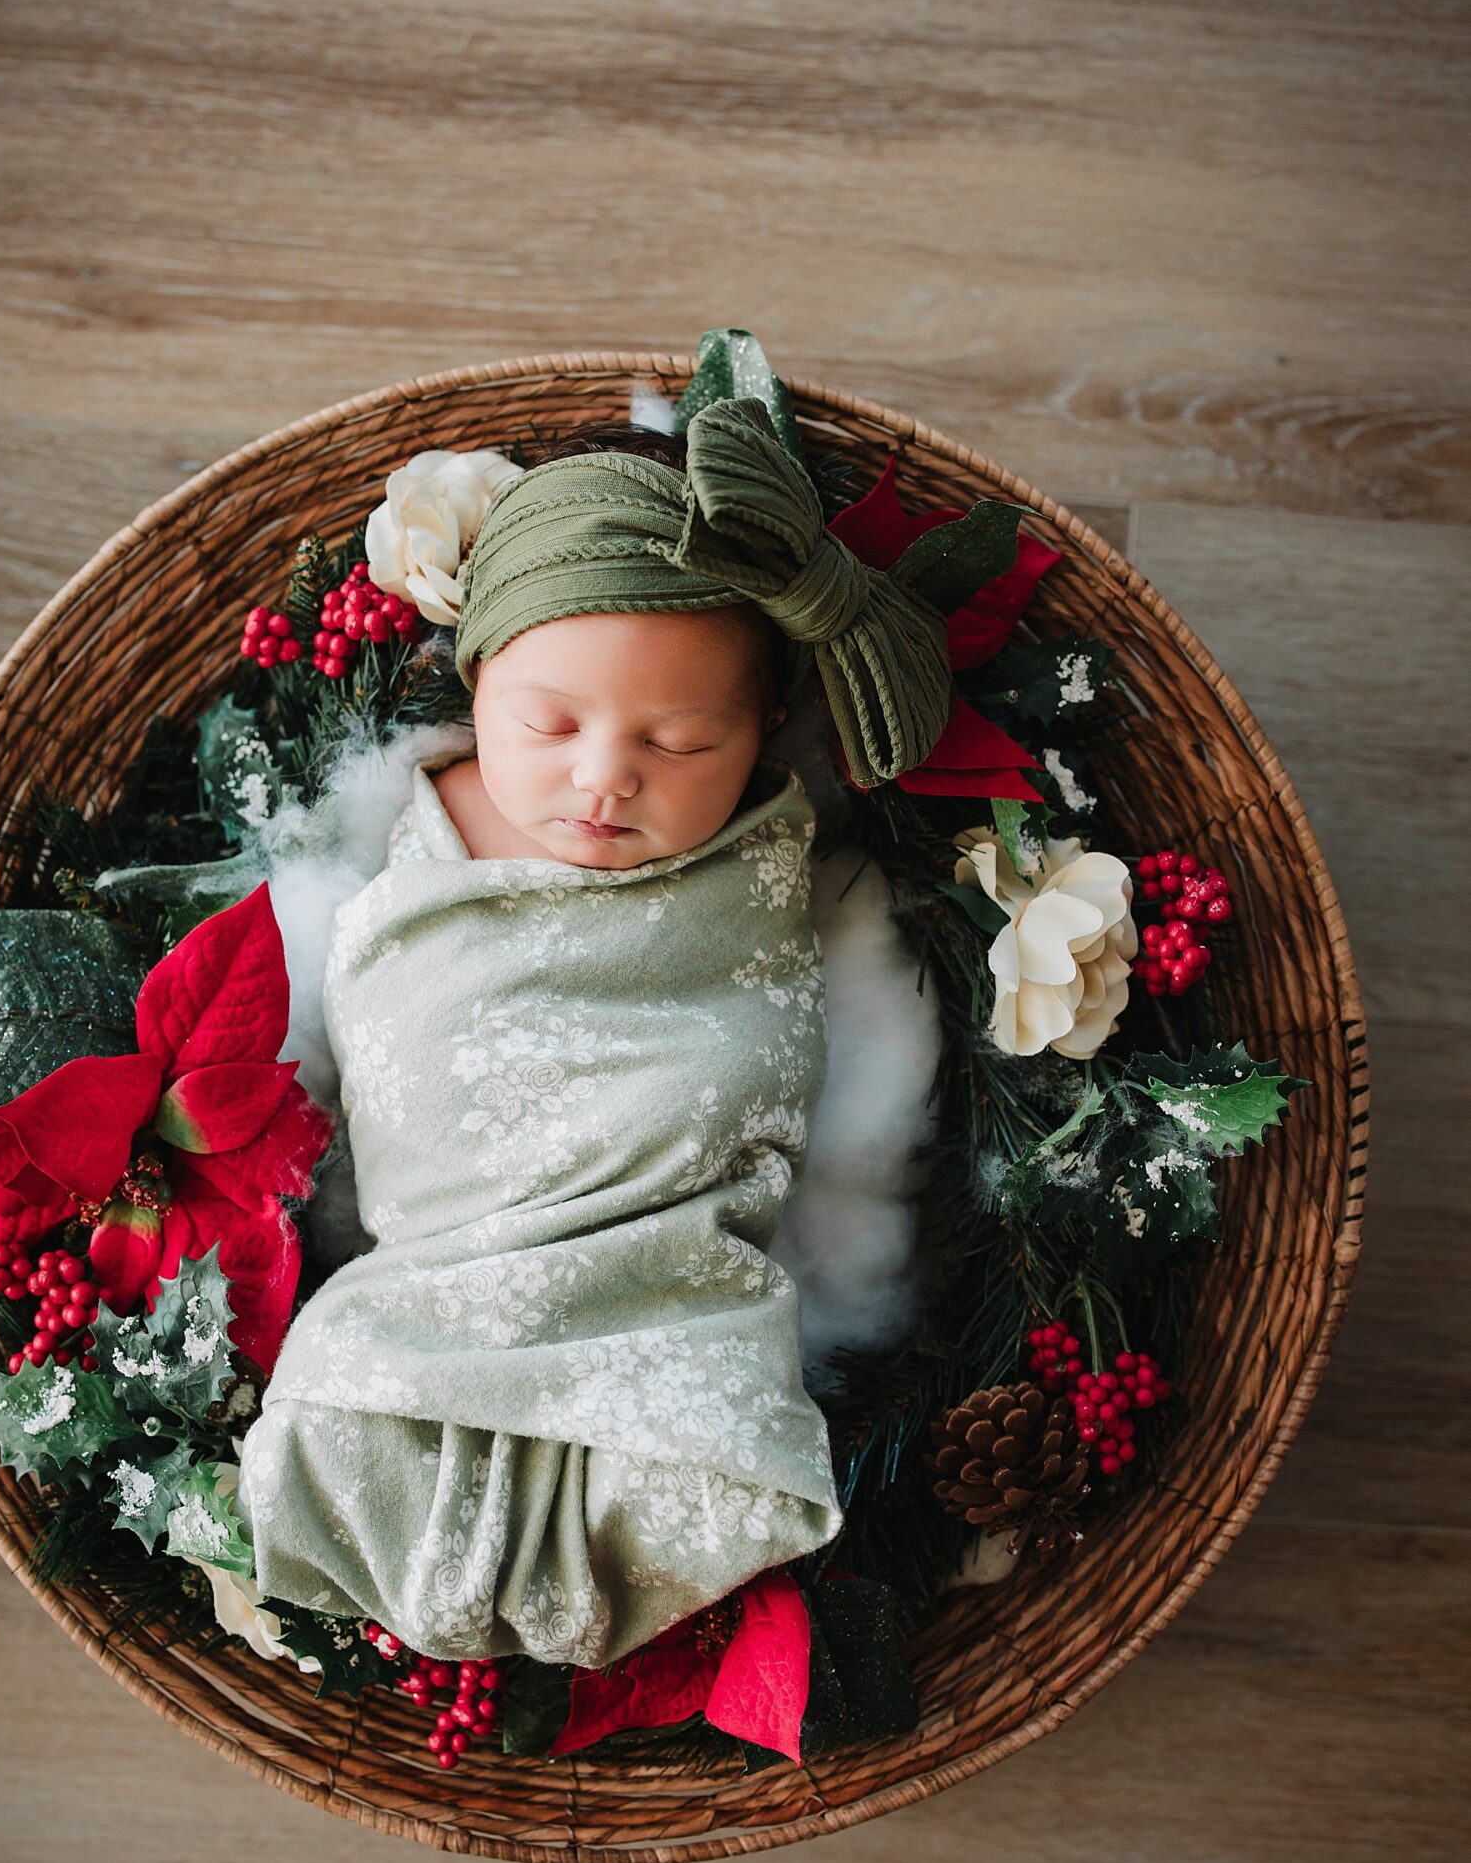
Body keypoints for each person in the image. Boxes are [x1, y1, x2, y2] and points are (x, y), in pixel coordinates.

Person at [235, 397, 999, 1666]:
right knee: (340, 1421)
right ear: (479, 680)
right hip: (439, 1277)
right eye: (549, 725)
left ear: (761, 744)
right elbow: (399, 1025)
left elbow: (747, 1051)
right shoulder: (410, 840)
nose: (604, 776)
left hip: (667, 1290)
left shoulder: (753, 875)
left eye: (679, 740)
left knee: (714, 1444)